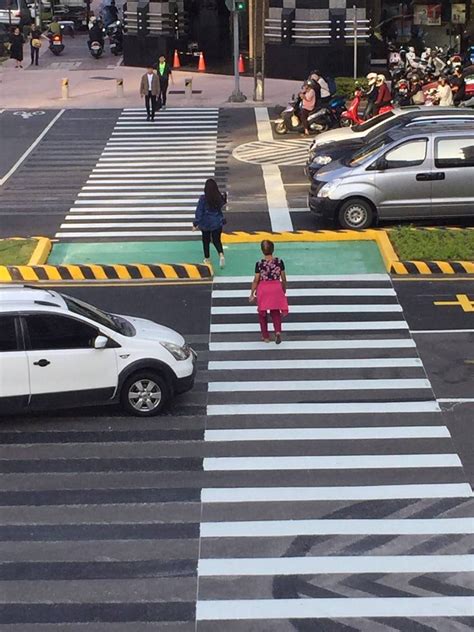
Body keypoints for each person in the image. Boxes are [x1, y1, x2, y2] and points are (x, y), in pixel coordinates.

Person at [249, 240, 288, 345]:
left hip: (263, 289)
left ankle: (265, 336)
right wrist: (283, 289)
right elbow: (283, 278)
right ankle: (278, 331)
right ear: (273, 249)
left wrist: (252, 293)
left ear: (262, 251)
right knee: (275, 311)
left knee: (262, 314)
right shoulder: (279, 262)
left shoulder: (259, 264)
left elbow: (256, 280)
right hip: (276, 287)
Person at [192, 178, 227, 268]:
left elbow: (199, 211)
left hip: (206, 223)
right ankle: (221, 254)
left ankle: (207, 259)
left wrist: (195, 223)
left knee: (206, 241)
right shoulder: (218, 197)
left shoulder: (203, 199)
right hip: (217, 222)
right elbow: (222, 204)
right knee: (217, 240)